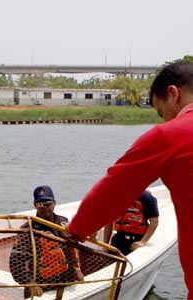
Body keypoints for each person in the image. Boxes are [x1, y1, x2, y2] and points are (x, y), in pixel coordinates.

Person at [64, 61, 193, 298]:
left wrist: (74, 230)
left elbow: (112, 191)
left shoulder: (170, 135)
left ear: (173, 94)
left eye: (161, 112)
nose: (164, 120)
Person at [10, 185, 84, 298]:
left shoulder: (64, 223)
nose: (44, 207)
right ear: (35, 205)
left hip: (66, 281)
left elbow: (73, 247)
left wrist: (77, 270)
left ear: (54, 203)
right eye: (40, 204)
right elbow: (15, 263)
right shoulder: (27, 231)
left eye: (47, 203)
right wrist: (30, 284)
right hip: (41, 286)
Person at [102, 190, 160, 255]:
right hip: (118, 239)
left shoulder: (146, 198)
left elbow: (154, 222)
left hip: (136, 241)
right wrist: (105, 245)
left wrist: (142, 242)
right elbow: (108, 222)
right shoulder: (115, 197)